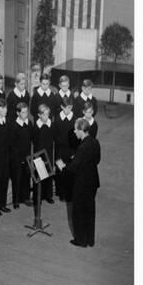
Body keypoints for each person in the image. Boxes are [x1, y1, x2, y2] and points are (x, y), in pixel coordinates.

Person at [56, 118, 101, 247]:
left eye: (76, 129)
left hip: (82, 184)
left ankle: (80, 240)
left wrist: (62, 166)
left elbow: (73, 168)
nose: (75, 132)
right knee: (90, 211)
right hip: (93, 182)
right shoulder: (95, 142)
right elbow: (97, 160)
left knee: (79, 212)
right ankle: (90, 239)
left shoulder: (82, 147)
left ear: (81, 130)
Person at [10, 102, 33, 209]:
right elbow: (13, 144)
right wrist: (18, 158)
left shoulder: (29, 124)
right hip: (17, 157)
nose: (25, 114)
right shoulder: (14, 125)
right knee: (17, 178)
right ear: (18, 113)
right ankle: (16, 200)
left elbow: (30, 139)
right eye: (23, 112)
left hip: (27, 155)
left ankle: (26, 198)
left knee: (26, 177)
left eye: (26, 112)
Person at [52, 96, 76, 202]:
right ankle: (60, 192)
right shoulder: (57, 119)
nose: (68, 110)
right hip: (60, 150)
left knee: (69, 171)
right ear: (62, 107)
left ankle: (68, 193)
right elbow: (55, 135)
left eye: (70, 108)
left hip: (70, 150)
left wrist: (74, 151)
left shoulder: (75, 119)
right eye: (66, 108)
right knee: (60, 170)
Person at [33, 104, 54, 204]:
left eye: (48, 114)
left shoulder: (50, 124)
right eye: (44, 115)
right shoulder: (36, 126)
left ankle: (48, 195)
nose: (47, 117)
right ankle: (38, 196)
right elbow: (34, 139)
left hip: (49, 152)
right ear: (39, 115)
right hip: (39, 153)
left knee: (48, 173)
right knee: (39, 174)